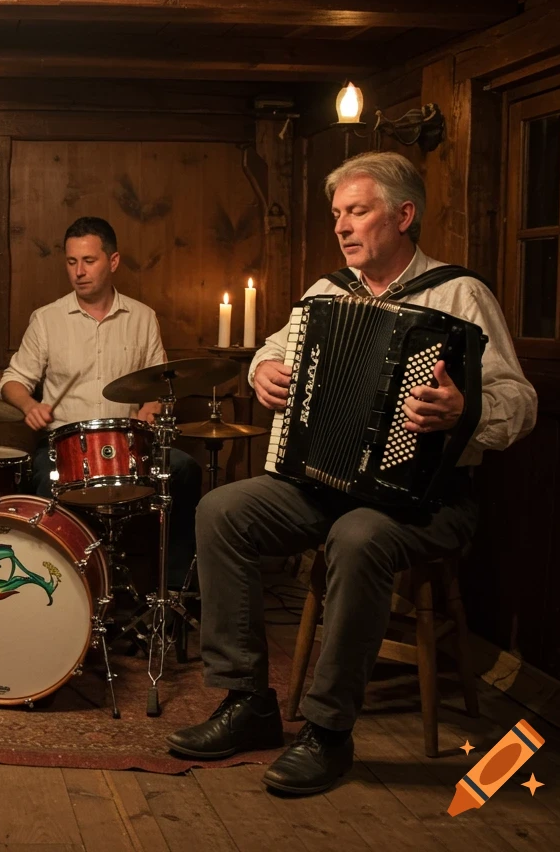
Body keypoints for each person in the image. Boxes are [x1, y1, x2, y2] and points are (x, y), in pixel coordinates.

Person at [167, 151, 537, 795]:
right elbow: (274, 348)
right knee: (220, 510)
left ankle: (329, 733)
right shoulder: (325, 293)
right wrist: (262, 373)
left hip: (428, 500)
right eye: (337, 214)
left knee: (358, 536)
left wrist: (464, 409)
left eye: (357, 212)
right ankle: (249, 702)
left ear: (404, 215)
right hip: (323, 487)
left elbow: (521, 402)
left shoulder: (459, 295)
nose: (341, 227)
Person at [0, 216, 202, 584]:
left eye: (88, 261)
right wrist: (30, 406)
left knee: (185, 470)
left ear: (113, 261)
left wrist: (150, 409)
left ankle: (172, 591)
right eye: (71, 261)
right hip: (67, 449)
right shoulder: (47, 320)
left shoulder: (142, 318)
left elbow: (160, 385)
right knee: (43, 479)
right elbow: (12, 380)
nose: (78, 271)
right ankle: (56, 592)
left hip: (129, 447)